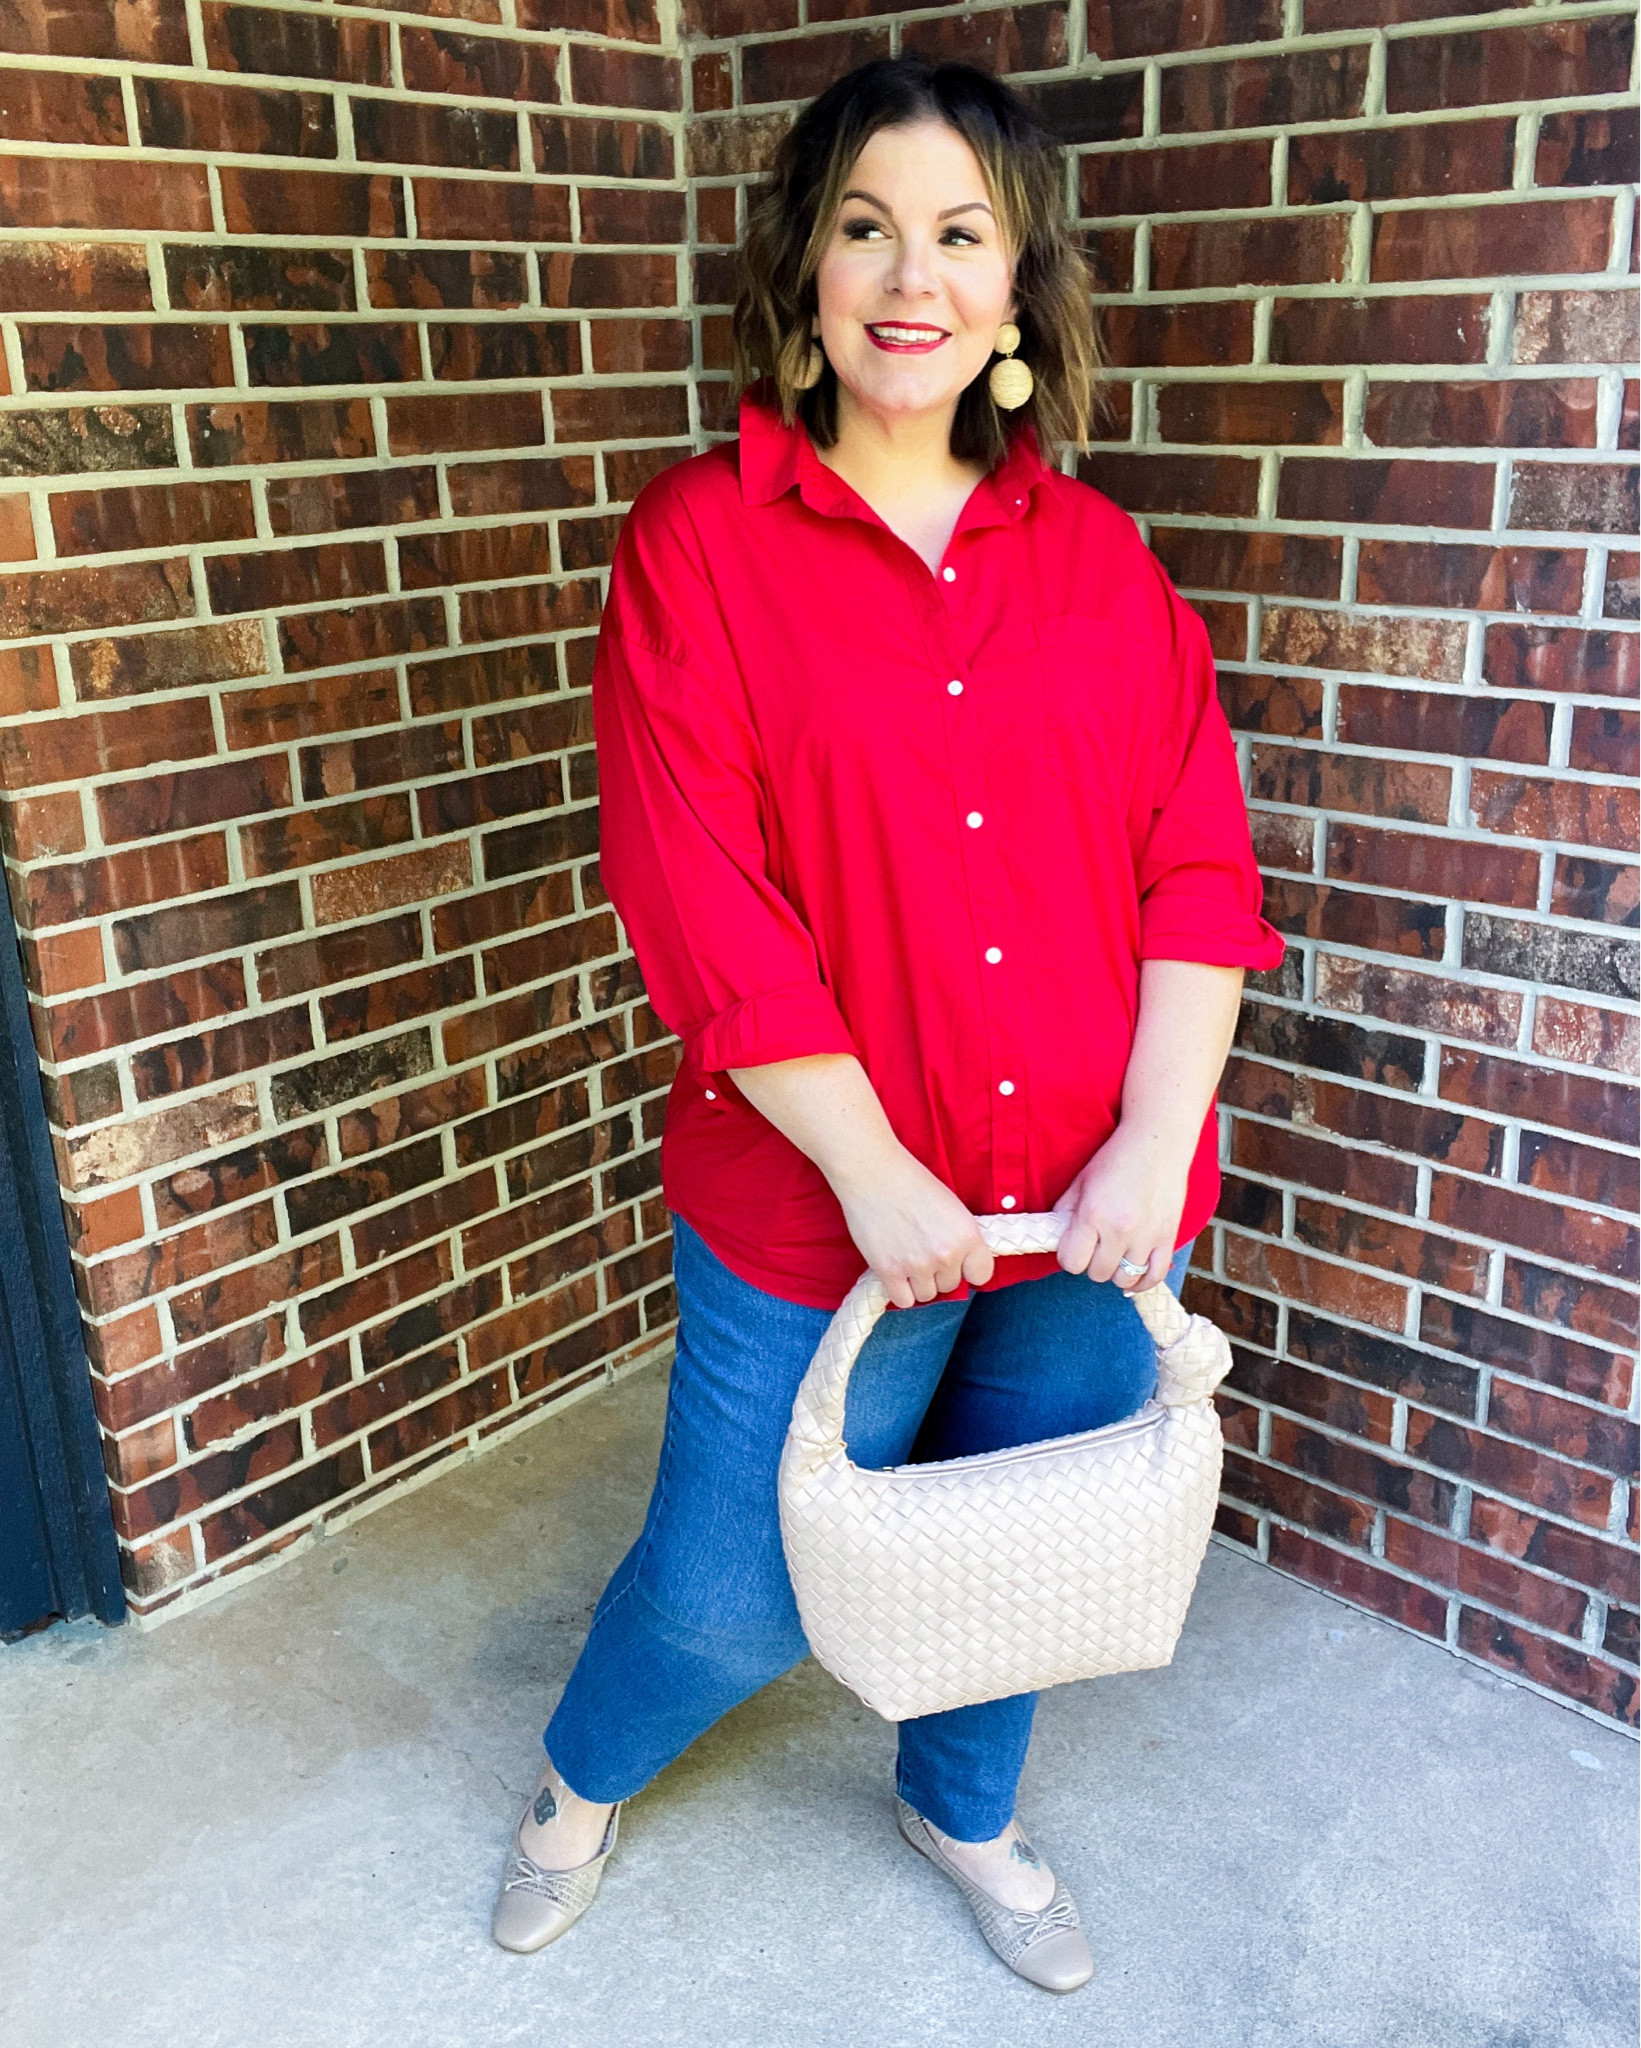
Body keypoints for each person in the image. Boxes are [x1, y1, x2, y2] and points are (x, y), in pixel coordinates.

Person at [489, 55, 1283, 1992]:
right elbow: (698, 898)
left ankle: (961, 1806)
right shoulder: (698, 545)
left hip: (1091, 1206)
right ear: (807, 268)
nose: (909, 276)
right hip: (820, 1208)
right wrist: (869, 1170)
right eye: (865, 228)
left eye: (957, 235)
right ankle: (580, 1775)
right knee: (730, 1593)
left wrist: (1148, 1144)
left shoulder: (1095, 562)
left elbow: (1196, 866)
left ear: (1014, 288)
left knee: (1021, 1551)